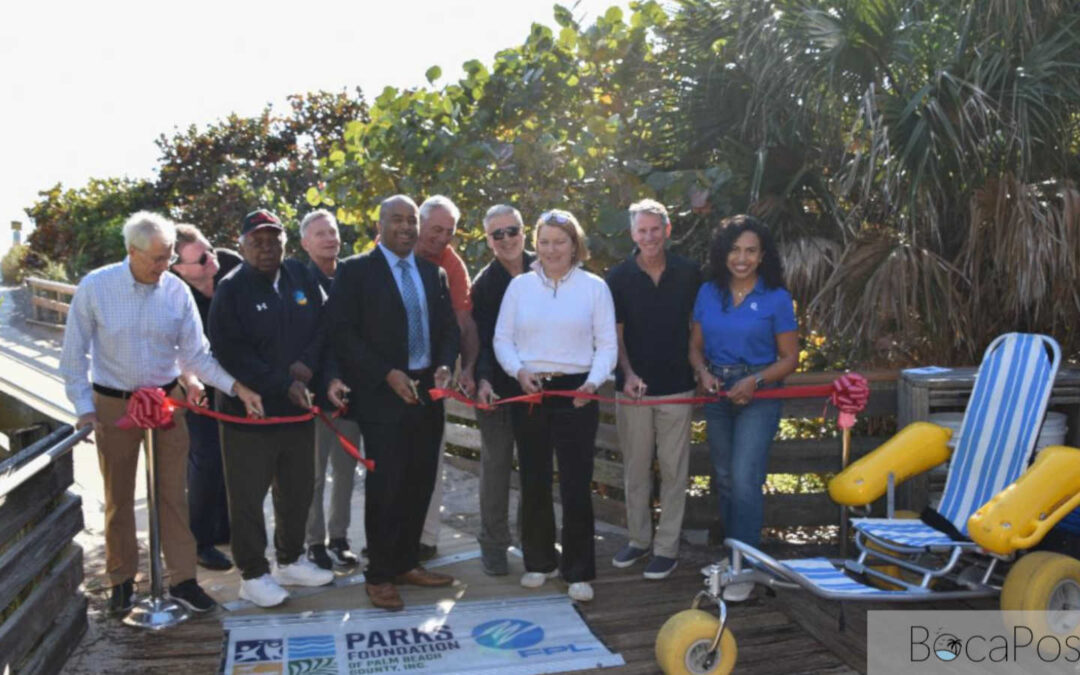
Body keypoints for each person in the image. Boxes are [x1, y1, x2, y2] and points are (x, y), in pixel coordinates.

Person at [59, 211, 263, 617]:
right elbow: (73, 356)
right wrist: (84, 410)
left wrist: (236, 388)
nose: (164, 266)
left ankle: (183, 580)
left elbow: (196, 355)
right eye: (157, 258)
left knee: (173, 496)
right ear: (131, 252)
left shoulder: (175, 290)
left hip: (167, 403)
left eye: (169, 257)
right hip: (114, 404)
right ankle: (121, 581)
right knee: (118, 497)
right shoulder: (96, 287)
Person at [327, 195, 460, 611]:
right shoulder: (354, 271)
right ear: (380, 225)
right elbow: (342, 333)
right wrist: (385, 372)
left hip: (426, 393)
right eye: (397, 220)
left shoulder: (433, 273)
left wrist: (444, 364)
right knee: (387, 486)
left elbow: (448, 329)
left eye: (411, 220)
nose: (405, 227)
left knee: (420, 481)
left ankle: (405, 563)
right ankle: (380, 575)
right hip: (381, 394)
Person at [208, 209, 343, 608]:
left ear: (285, 243)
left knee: (297, 490)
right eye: (257, 241)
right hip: (250, 415)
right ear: (242, 245)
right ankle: (253, 574)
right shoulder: (231, 289)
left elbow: (324, 326)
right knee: (248, 498)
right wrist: (284, 383)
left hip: (298, 412)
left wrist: (309, 367)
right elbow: (231, 352)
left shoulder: (300, 275)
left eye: (273, 240)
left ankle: (290, 559)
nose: (266, 248)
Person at [494, 209, 616, 603]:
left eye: (559, 242)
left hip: (577, 392)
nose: (551, 250)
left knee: (576, 483)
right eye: (544, 242)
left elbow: (607, 345)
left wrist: (592, 382)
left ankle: (578, 570)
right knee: (534, 478)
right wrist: (518, 371)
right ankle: (539, 561)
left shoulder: (595, 288)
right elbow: (502, 339)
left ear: (574, 244)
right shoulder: (520, 287)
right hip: (531, 391)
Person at [689, 214, 798, 602]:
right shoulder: (708, 292)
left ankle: (745, 566)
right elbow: (695, 348)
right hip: (717, 393)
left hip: (759, 394)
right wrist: (702, 372)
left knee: (745, 477)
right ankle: (732, 556)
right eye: (735, 250)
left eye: (751, 251)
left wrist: (756, 382)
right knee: (724, 477)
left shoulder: (776, 298)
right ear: (723, 253)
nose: (742, 258)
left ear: (762, 256)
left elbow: (790, 358)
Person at [605, 199, 701, 580]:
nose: (649, 237)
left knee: (675, 472)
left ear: (667, 230)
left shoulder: (689, 273)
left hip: (678, 387)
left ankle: (667, 549)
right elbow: (615, 336)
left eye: (655, 229)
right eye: (642, 231)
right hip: (633, 392)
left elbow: (698, 328)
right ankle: (639, 540)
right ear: (632, 234)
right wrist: (627, 374)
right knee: (636, 470)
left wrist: (700, 369)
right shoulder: (617, 277)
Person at [170, 224, 242, 572]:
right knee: (206, 457)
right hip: (196, 382)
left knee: (234, 456)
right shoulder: (172, 292)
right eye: (200, 259)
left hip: (238, 379)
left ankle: (224, 526)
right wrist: (192, 381)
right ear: (178, 269)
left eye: (210, 249)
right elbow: (175, 349)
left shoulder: (231, 265)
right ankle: (200, 541)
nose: (211, 259)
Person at [469, 204, 535, 575]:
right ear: (488, 240)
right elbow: (479, 341)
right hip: (496, 389)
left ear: (524, 231)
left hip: (538, 389)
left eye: (512, 231)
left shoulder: (545, 269)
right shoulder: (484, 285)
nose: (507, 239)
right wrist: (483, 380)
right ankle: (493, 544)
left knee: (535, 468)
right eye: (498, 234)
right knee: (496, 468)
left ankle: (532, 539)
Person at [414, 195, 478, 561]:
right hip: (385, 372)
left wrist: (465, 368)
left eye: (449, 232)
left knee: (430, 456)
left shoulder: (451, 264)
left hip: (433, 370)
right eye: (435, 229)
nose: (441, 238)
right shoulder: (385, 250)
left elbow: (463, 322)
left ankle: (426, 537)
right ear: (418, 223)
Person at [299, 209, 362, 571]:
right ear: (305, 243)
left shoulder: (352, 276)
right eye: (320, 233)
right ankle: (314, 541)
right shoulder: (299, 281)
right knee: (313, 474)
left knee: (346, 471)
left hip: (351, 393)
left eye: (333, 232)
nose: (329, 239)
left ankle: (339, 537)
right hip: (314, 394)